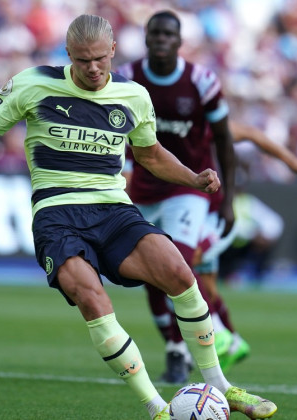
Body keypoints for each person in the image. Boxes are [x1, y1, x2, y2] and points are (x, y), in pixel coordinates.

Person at [0, 14, 277, 420]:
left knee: (180, 274)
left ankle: (220, 386)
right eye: (82, 60)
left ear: (113, 51)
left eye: (99, 60)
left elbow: (149, 155)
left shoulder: (133, 96)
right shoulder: (33, 84)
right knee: (93, 299)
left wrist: (193, 178)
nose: (92, 69)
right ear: (68, 55)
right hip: (57, 215)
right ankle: (157, 409)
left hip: (113, 210)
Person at [116, 10, 237, 384]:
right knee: (152, 274)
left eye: (169, 34)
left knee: (177, 268)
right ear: (147, 37)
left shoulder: (200, 81)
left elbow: (224, 139)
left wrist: (228, 199)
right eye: (155, 33)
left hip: (188, 188)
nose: (162, 39)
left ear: (180, 40)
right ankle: (174, 346)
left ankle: (203, 345)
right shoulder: (128, 78)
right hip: (142, 189)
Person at [194, 121, 297, 372]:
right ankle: (231, 340)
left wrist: (294, 163)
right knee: (206, 285)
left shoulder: (201, 120)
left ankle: (215, 337)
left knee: (182, 266)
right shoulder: (157, 120)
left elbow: (252, 133)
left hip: (214, 215)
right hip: (194, 213)